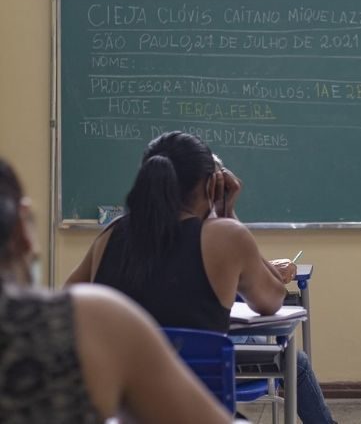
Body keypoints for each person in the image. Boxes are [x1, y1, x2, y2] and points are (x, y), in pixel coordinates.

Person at [65, 131, 337, 424]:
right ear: (212, 184)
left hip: (121, 412)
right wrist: (228, 214)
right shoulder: (224, 236)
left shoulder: (111, 235)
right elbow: (272, 300)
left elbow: (66, 306)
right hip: (197, 411)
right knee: (292, 364)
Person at [0, 157, 234, 423]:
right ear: (21, 228)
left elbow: (69, 286)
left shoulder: (111, 235)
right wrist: (225, 214)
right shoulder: (91, 321)